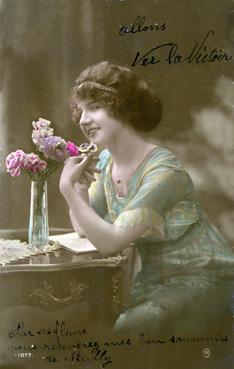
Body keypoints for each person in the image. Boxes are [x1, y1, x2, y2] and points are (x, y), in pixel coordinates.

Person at [59, 61, 234, 335]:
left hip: (204, 278)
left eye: (94, 107)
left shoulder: (163, 170)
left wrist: (67, 190)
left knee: (129, 330)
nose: (83, 120)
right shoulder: (105, 161)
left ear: (123, 108)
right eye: (80, 110)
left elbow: (109, 243)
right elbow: (84, 229)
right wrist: (79, 189)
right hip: (154, 281)